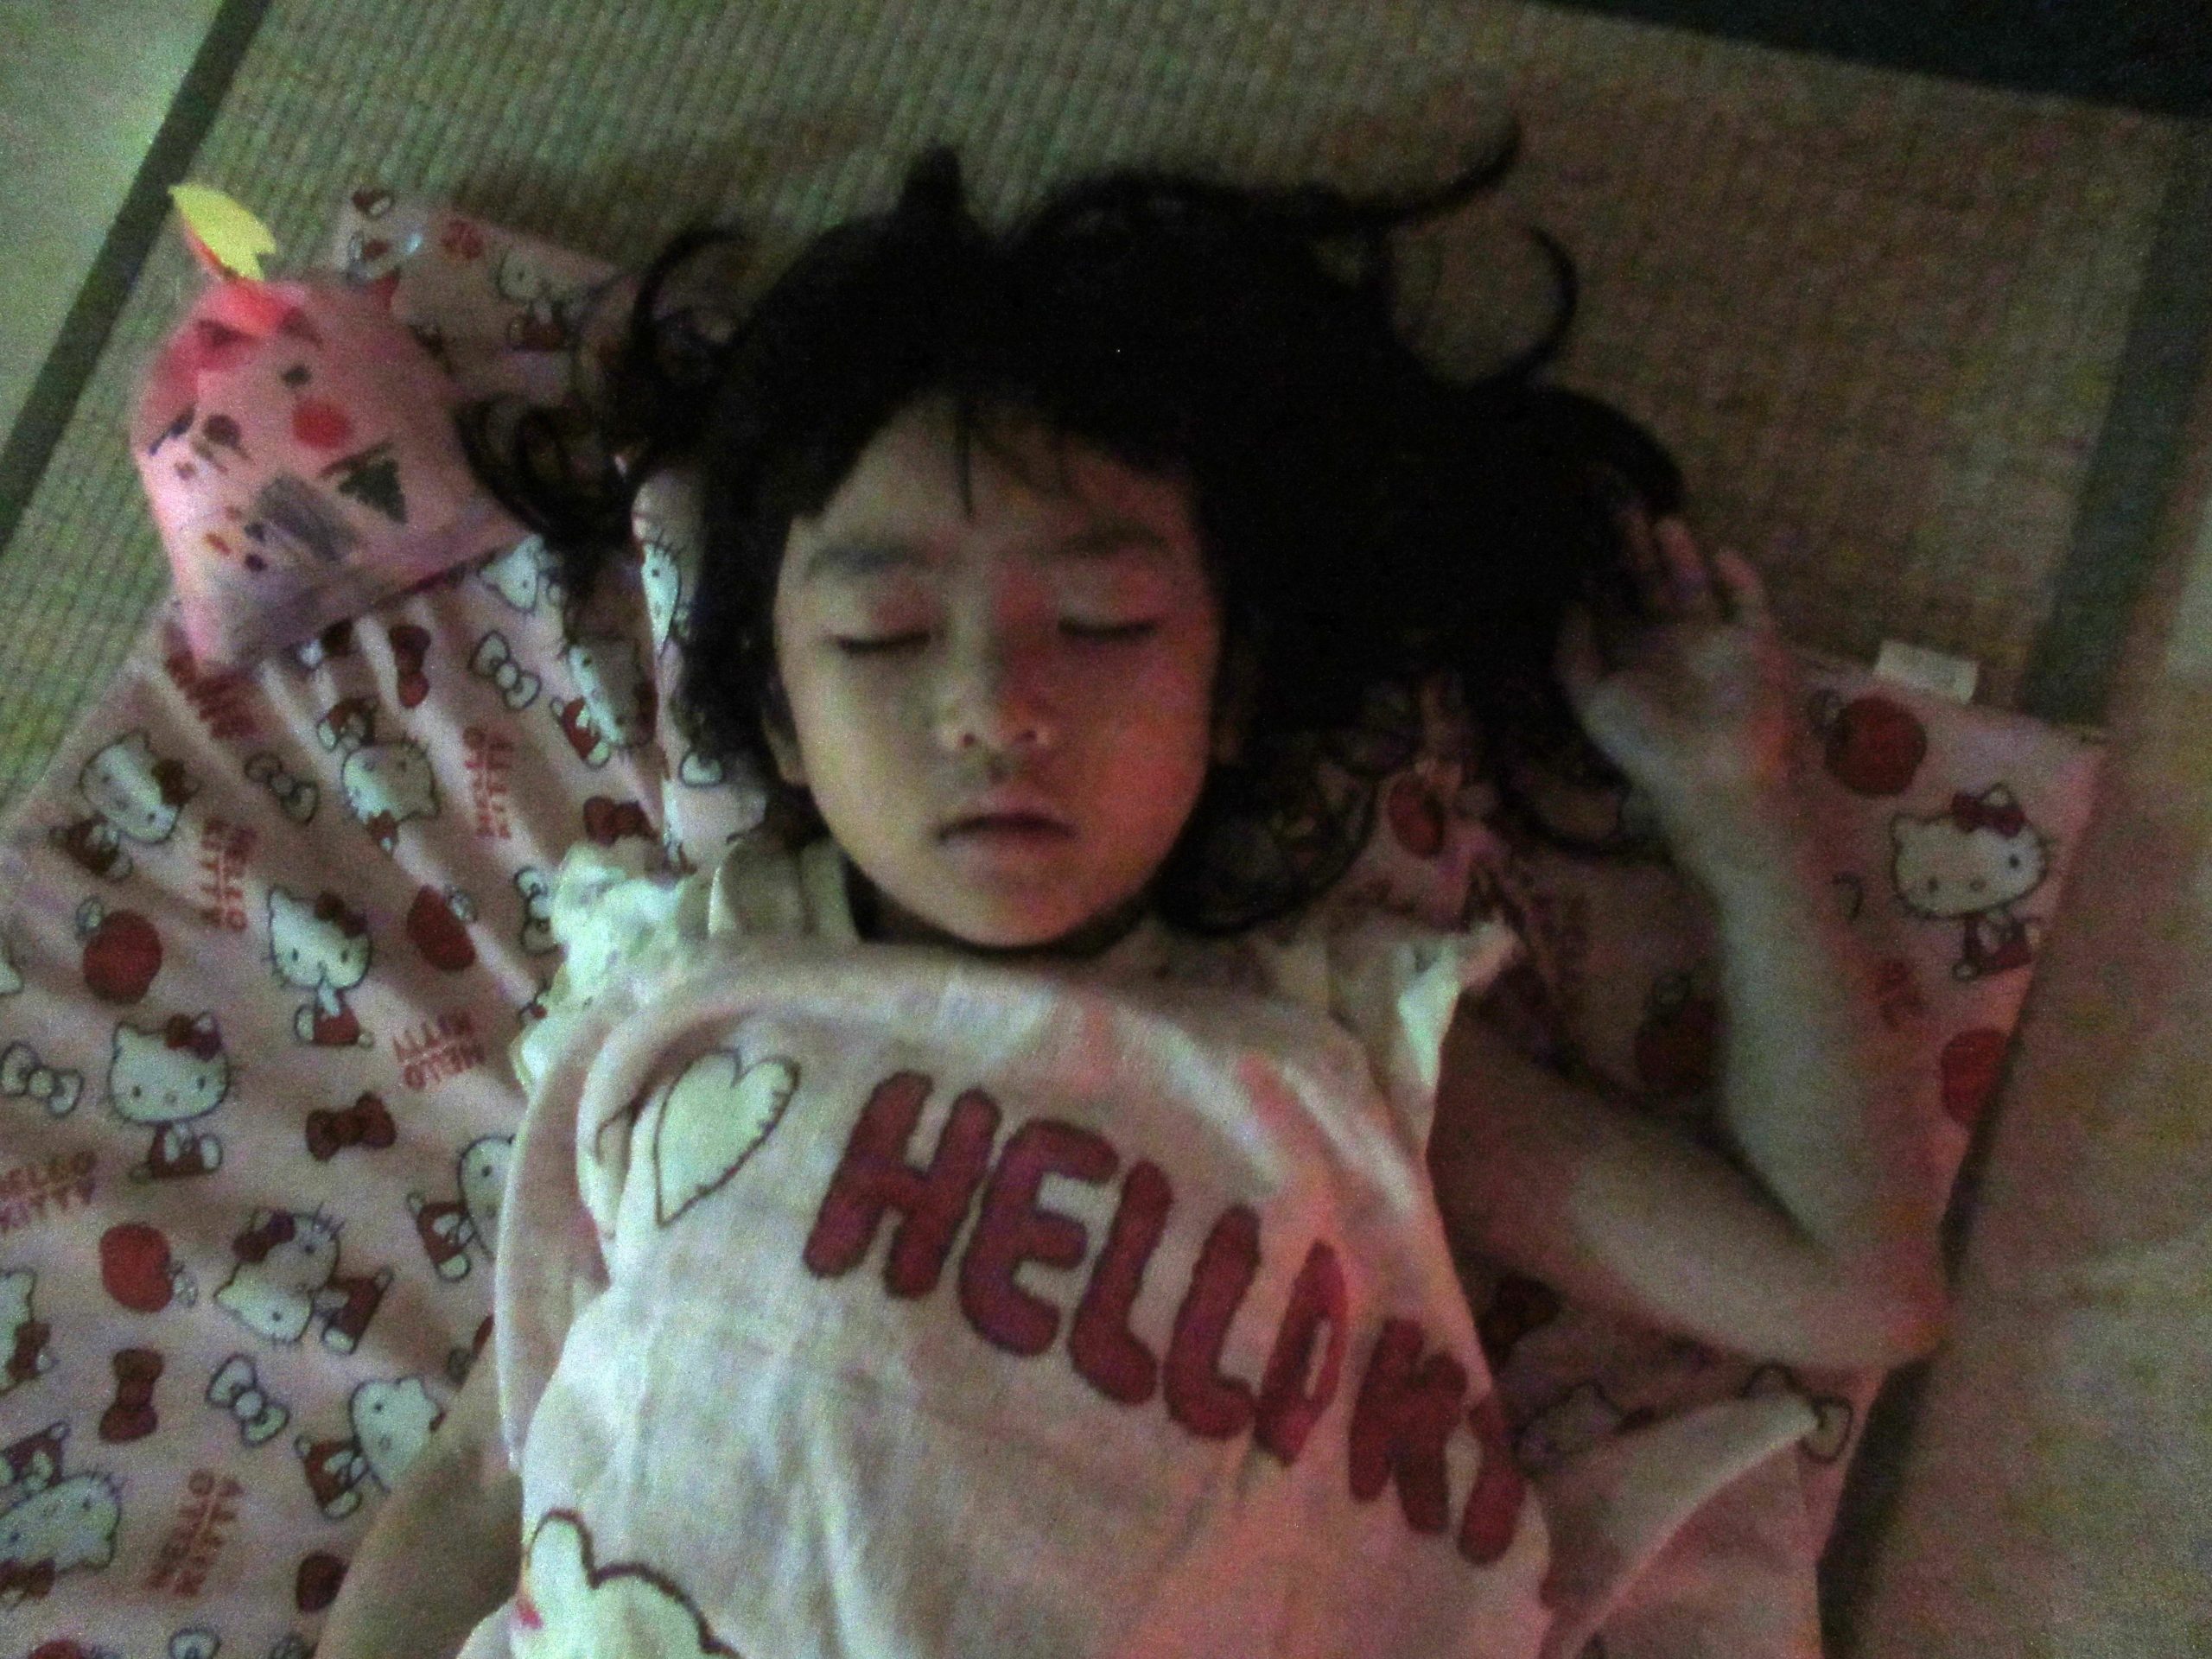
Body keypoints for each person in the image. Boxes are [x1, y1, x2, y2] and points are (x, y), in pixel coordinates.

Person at [319, 137, 1950, 1659]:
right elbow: (479, 1477)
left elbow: (1848, 1283)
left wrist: (1736, 811)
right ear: (783, 720)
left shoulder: (1323, 1049)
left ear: (1230, 695)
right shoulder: (690, 990)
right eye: (885, 638)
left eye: (1100, 624)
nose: (993, 707)